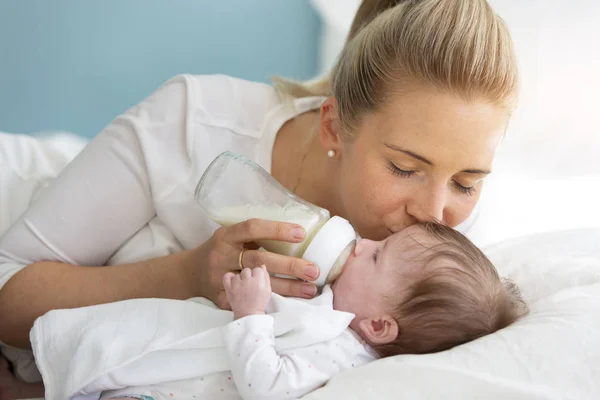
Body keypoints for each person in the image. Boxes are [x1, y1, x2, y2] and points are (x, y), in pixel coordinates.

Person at [0, 0, 519, 392]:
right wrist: (189, 275)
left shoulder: (447, 238)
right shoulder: (190, 124)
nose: (433, 214)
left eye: (467, 182)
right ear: (335, 126)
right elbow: (7, 300)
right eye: (405, 168)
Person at [15, 223, 528, 400]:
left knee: (116, 381)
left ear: (379, 325)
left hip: (179, 389)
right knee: (116, 348)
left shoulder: (343, 355)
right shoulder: (337, 310)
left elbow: (269, 385)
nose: (364, 242)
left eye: (377, 255)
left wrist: (252, 315)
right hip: (185, 353)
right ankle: (34, 383)